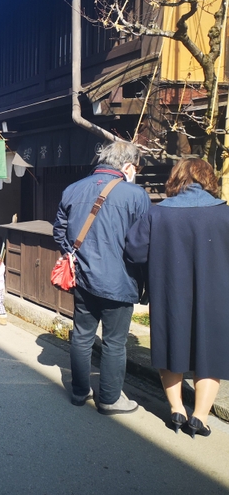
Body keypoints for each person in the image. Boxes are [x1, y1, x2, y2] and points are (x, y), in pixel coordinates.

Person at [125, 158, 229, 437]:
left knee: (172, 346)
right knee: (210, 352)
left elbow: (134, 250)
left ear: (177, 179)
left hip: (169, 291)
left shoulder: (158, 214)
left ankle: (176, 409)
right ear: (208, 179)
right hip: (216, 294)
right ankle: (200, 417)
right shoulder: (224, 213)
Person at [53, 141, 150, 414]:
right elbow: (142, 245)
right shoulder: (135, 195)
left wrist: (72, 255)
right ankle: (109, 398)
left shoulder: (72, 189)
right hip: (119, 280)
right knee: (114, 342)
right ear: (128, 167)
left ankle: (79, 392)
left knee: (82, 336)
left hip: (82, 278)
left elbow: (59, 232)